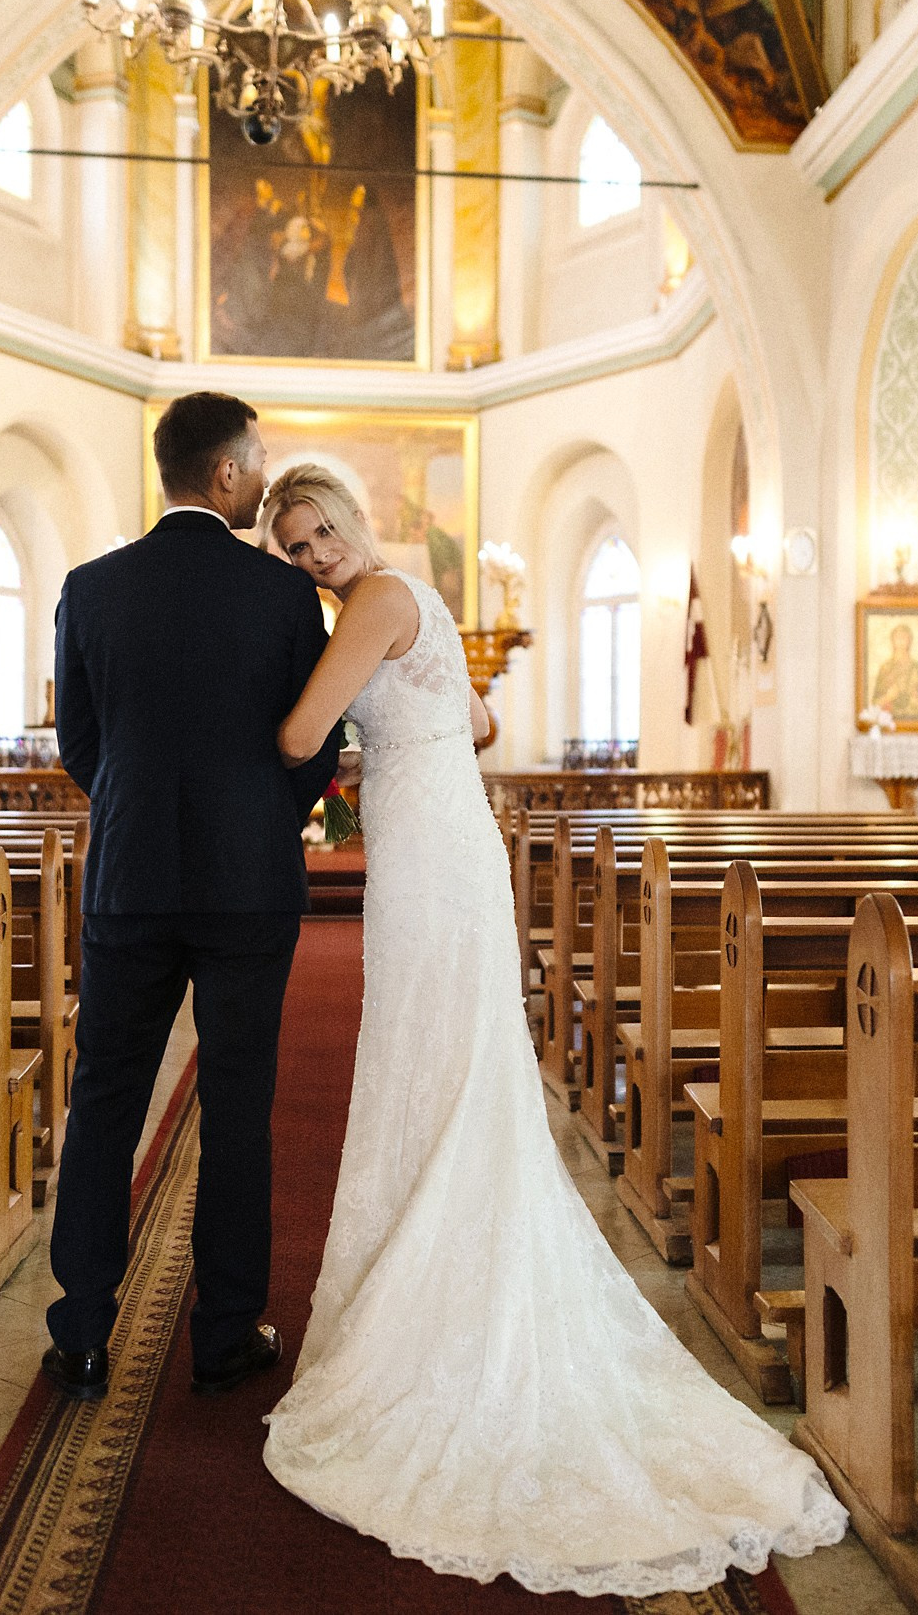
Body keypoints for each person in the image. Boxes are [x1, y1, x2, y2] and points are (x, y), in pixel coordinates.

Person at [254, 463, 846, 1596]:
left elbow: (295, 739)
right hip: (448, 845)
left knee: (430, 1061)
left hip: (427, 861)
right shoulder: (413, 597)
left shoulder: (374, 599)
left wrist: (279, 702)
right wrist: (412, 738)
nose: (311, 554)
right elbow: (477, 720)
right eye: (293, 545)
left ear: (351, 523)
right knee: (449, 1063)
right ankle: (442, 1260)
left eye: (319, 531)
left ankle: (429, 1303)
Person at [40, 393, 342, 1401]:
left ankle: (81, 1331)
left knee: (105, 1098)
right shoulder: (279, 595)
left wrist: (136, 810)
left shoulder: (89, 590)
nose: (260, 484)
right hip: (248, 882)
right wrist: (257, 815)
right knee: (238, 1104)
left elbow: (78, 742)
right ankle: (222, 1332)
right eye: (254, 467)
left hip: (128, 879)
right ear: (225, 473)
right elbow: (313, 746)